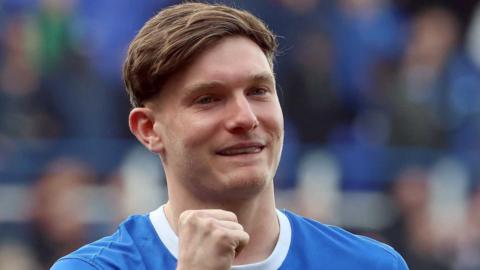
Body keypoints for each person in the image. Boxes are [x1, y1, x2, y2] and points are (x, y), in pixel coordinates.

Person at [50, 2, 408, 269]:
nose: (245, 118)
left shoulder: (371, 265)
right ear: (149, 130)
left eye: (258, 91)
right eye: (208, 99)